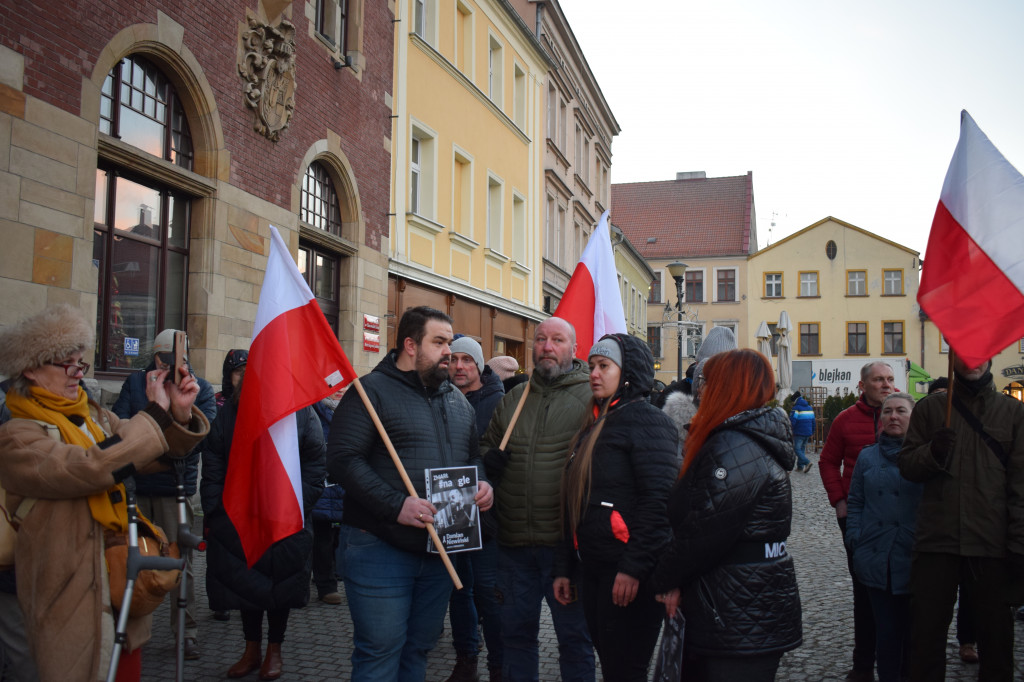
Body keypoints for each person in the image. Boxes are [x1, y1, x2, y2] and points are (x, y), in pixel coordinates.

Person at [0, 304, 209, 681]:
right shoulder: (17, 435)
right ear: (30, 369)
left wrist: (176, 414)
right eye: (68, 365)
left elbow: (146, 453)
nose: (78, 374)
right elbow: (90, 467)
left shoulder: (93, 415)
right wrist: (154, 417)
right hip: (60, 590)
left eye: (81, 364)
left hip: (115, 582)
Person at [327, 306, 493, 681]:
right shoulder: (370, 392)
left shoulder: (458, 401)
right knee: (379, 653)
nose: (448, 352)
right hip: (378, 547)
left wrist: (482, 485)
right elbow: (341, 459)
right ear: (409, 345)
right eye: (439, 342)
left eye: (449, 342)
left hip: (438, 551)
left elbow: (472, 457)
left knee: (417, 651)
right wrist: (395, 505)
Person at [651, 349, 802, 680]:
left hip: (736, 607)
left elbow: (704, 530)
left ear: (729, 387)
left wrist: (665, 578)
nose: (699, 389)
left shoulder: (735, 444)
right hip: (733, 599)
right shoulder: (737, 437)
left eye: (707, 380)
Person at [553, 334, 678, 681]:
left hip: (626, 574)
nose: (593, 373)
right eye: (592, 366)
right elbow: (573, 501)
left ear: (627, 374)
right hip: (593, 569)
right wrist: (564, 567)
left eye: (604, 366)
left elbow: (660, 504)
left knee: (625, 670)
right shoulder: (593, 423)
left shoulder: (649, 422)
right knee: (610, 664)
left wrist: (633, 568)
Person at [481, 317, 595, 682]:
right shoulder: (515, 397)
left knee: (575, 640)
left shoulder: (591, 398)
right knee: (515, 637)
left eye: (557, 340)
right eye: (541, 339)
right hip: (513, 545)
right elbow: (487, 447)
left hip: (564, 548)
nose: (547, 346)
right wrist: (488, 464)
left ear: (573, 349)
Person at [200, 351, 325, 681]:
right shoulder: (229, 414)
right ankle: (251, 649)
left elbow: (315, 462)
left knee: (280, 584)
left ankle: (275, 650)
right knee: (246, 585)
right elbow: (213, 461)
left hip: (285, 517)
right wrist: (215, 506)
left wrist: (300, 503)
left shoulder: (299, 412)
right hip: (238, 517)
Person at [899, 355, 1024, 681]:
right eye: (965, 352)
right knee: (924, 640)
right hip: (936, 542)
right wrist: (933, 452)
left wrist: (1019, 544)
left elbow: (1021, 486)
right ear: (953, 357)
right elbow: (908, 466)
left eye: (980, 353)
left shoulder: (1013, 412)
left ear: (991, 357)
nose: (973, 360)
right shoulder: (929, 409)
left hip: (990, 544)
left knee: (996, 644)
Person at [111, 328, 218, 660]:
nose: (170, 365)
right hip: (136, 487)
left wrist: (170, 412)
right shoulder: (135, 383)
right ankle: (128, 629)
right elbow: (121, 430)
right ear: (155, 358)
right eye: (164, 359)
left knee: (179, 563)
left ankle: (185, 632)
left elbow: (194, 438)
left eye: (176, 359)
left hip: (174, 487)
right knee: (128, 560)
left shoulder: (199, 389)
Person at [818, 361, 894, 682]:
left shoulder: (904, 416)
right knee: (864, 591)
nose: (886, 385)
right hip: (857, 519)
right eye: (879, 380)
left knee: (896, 589)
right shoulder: (845, 420)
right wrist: (839, 502)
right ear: (863, 386)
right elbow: (827, 461)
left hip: (896, 519)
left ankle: (896, 661)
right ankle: (863, 664)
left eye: (890, 379)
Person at [845, 393, 921, 682]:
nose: (893, 416)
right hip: (877, 557)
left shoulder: (926, 455)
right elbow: (856, 502)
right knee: (886, 635)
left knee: (914, 635)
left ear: (914, 418)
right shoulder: (867, 456)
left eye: (901, 411)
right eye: (888, 411)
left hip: (914, 556)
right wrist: (855, 536)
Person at [444, 336, 505, 682]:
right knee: (458, 590)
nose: (459, 366)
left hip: (486, 517)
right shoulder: (440, 398)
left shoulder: (500, 402)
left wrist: (493, 471)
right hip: (452, 512)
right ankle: (466, 658)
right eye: (453, 359)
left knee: (488, 593)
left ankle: (499, 664)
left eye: (467, 360)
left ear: (479, 365)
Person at [924, 377, 978, 663]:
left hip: (973, 523)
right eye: (937, 396)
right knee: (936, 597)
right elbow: (910, 465)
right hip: (935, 524)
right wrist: (932, 451)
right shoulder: (923, 421)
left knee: (970, 591)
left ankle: (967, 640)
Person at [311, 385, 348, 606]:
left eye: (343, 385)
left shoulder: (352, 410)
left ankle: (332, 576)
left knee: (337, 538)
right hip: (320, 486)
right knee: (320, 538)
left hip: (343, 486)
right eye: (333, 386)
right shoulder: (312, 411)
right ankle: (325, 585)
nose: (339, 390)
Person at [789, 391, 815, 473]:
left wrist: (790, 430)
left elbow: (792, 421)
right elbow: (813, 421)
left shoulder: (796, 408)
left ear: (795, 400)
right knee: (802, 449)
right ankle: (800, 467)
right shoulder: (810, 408)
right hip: (808, 432)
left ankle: (807, 462)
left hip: (799, 432)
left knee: (796, 449)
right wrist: (812, 432)